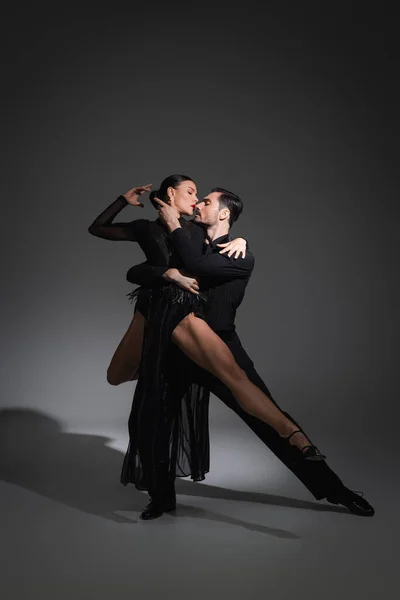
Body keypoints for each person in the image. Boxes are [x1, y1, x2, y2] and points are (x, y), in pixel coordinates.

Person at [119, 186, 375, 520]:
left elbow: (200, 263)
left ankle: (336, 491)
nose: (197, 203)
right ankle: (161, 497)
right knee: (156, 422)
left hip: (223, 349)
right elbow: (141, 271)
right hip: (179, 348)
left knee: (266, 417)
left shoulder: (239, 254)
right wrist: (166, 270)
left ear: (224, 213)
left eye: (206, 201)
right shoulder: (187, 241)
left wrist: (239, 240)